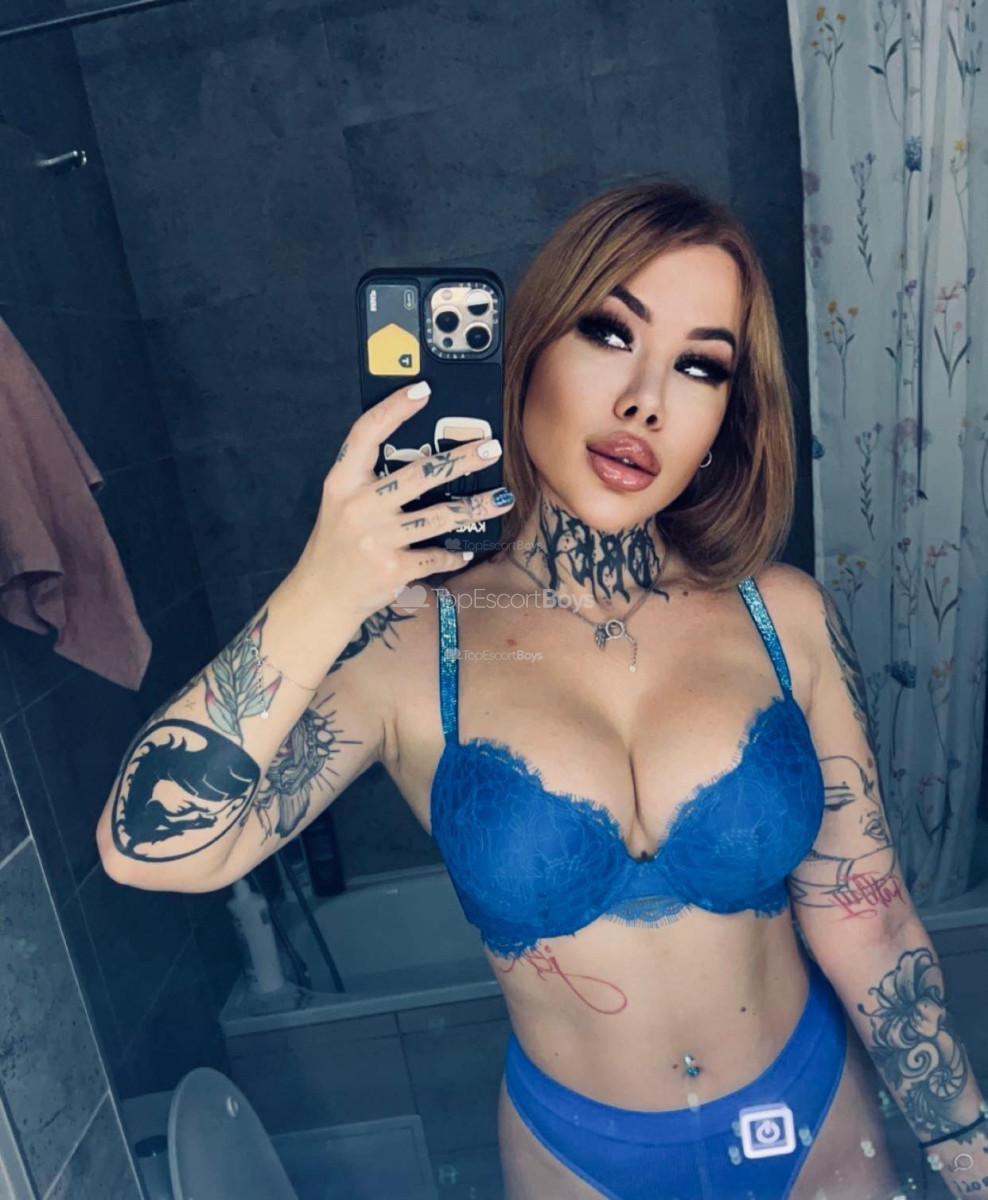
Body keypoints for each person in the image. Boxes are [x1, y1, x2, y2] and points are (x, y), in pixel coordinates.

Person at [97, 179, 987, 1200]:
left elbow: (869, 921)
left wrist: (971, 1158)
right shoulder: (406, 646)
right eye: (610, 333)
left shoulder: (780, 617)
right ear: (523, 355)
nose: (645, 399)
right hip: (580, 1160)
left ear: (725, 418)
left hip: (816, 1116)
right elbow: (152, 850)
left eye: (699, 365)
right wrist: (326, 588)